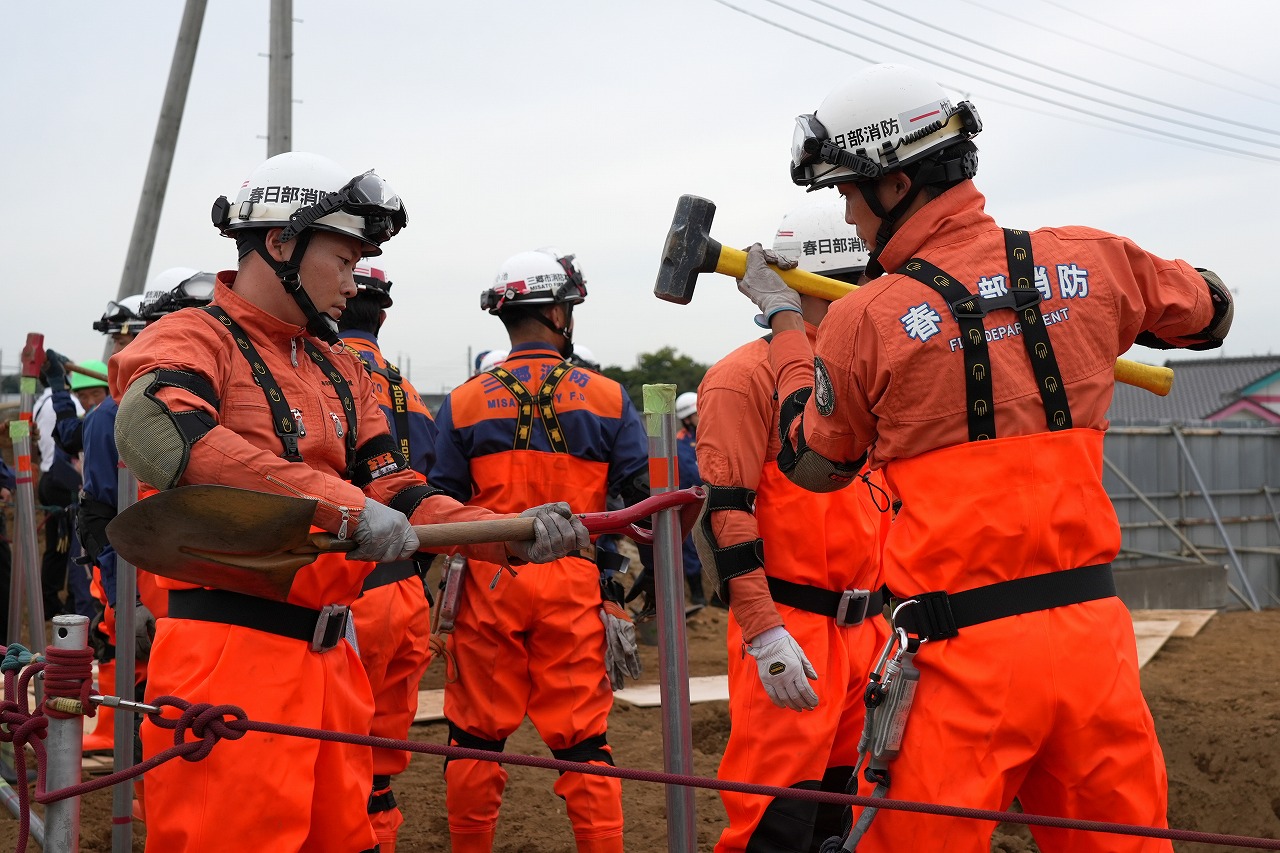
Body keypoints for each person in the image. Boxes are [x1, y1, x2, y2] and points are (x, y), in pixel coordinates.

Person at [734, 63, 1234, 852]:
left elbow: (815, 463)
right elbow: (1212, 314)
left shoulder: (868, 318)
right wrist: (1095, 315)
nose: (848, 215)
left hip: (960, 659)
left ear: (894, 184)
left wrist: (789, 327)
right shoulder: (1092, 260)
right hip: (1095, 645)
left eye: (848, 193)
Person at [110, 152, 588, 853]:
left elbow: (400, 492)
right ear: (280, 243)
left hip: (334, 660)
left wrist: (509, 532)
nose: (355, 276)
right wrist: (340, 506)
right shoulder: (193, 337)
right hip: (227, 656)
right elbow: (159, 431)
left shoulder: (341, 367)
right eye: (343, 256)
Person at [431, 248, 651, 853]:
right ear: (560, 313)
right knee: (584, 743)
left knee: (473, 739)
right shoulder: (607, 397)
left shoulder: (463, 399)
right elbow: (640, 503)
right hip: (576, 583)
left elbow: (440, 504)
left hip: (488, 583)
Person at [696, 198, 889, 852]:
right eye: (862, 281)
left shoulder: (870, 372)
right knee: (774, 828)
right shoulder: (741, 378)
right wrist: (763, 630)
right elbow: (728, 511)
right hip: (792, 628)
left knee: (848, 820)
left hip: (868, 631)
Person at [78, 269, 215, 757]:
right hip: (144, 583)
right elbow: (99, 511)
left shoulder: (216, 398)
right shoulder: (111, 415)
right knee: (148, 702)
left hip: (195, 594)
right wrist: (124, 595)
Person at [337, 260, 437, 853]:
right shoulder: (408, 391)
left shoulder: (316, 377)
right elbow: (431, 484)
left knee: (330, 754)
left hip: (344, 591)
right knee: (380, 766)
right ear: (384, 312)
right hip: (406, 591)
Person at [32, 353, 85, 618]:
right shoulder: (69, 402)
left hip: (47, 478)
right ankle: (66, 601)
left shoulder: (39, 403)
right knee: (71, 545)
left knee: (55, 546)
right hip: (64, 479)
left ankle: (48, 600)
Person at [673, 391, 707, 608]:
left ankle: (718, 598)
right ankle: (697, 596)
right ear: (687, 418)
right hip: (690, 505)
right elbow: (692, 473)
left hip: (711, 502)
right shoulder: (680, 442)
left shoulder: (709, 434)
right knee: (692, 549)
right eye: (696, 413)